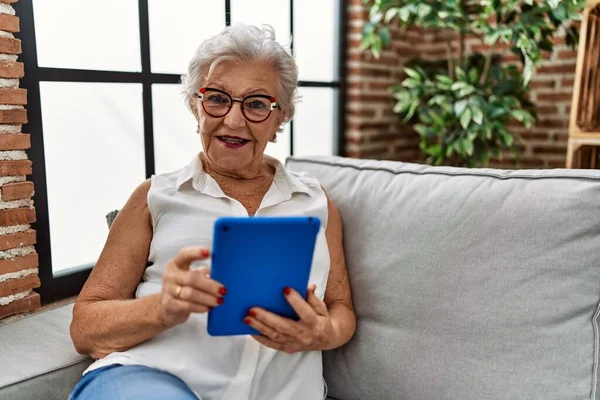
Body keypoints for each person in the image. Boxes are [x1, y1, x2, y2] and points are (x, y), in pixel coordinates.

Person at [69, 24, 356, 400]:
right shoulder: (154, 196)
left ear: (279, 118)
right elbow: (85, 327)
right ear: (195, 106)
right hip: (149, 380)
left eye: (256, 104)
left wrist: (325, 333)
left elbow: (341, 308)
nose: (233, 121)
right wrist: (162, 309)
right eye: (217, 98)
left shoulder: (315, 202)